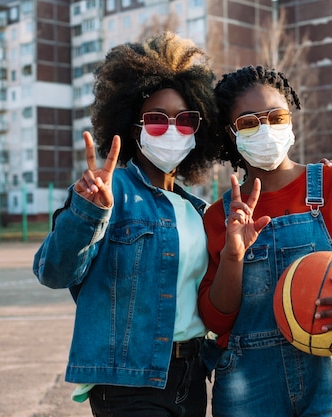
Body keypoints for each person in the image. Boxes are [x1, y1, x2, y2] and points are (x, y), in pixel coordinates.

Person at [197, 65, 332, 417]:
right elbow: (216, 320)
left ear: (291, 121)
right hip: (249, 387)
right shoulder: (217, 218)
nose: (266, 129)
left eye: (276, 117)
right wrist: (233, 257)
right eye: (249, 122)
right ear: (229, 133)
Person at [33, 32, 220, 417]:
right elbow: (54, 272)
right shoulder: (106, 191)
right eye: (156, 119)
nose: (171, 129)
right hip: (128, 381)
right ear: (131, 125)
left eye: (185, 120)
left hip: (192, 377)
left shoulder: (198, 210)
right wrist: (89, 213)